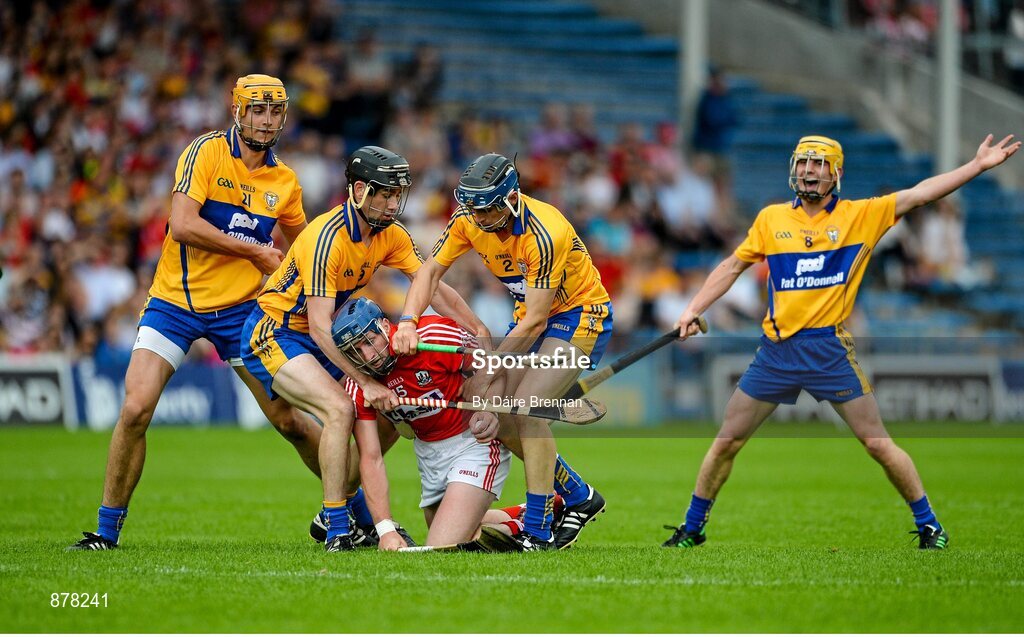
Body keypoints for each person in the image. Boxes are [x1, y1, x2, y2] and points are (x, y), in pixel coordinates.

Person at [664, 133, 1020, 551]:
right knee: (727, 443)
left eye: (818, 165)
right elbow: (731, 266)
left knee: (877, 443)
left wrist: (976, 167)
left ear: (836, 173)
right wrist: (693, 308)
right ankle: (693, 528)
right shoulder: (771, 219)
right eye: (803, 163)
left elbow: (920, 194)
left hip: (828, 350)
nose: (809, 172)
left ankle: (930, 526)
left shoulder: (861, 216)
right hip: (776, 352)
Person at [70, 75, 319, 550]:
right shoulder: (204, 153)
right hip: (174, 303)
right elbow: (183, 226)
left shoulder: (284, 181)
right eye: (257, 110)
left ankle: (359, 515)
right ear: (237, 111)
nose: (266, 121)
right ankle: (106, 531)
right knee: (136, 408)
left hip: (242, 312)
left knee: (289, 420)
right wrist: (256, 252)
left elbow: (304, 250)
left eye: (275, 112)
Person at [240, 146, 485, 552]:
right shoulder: (326, 238)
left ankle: (342, 513)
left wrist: (475, 328)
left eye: (396, 194)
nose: (392, 203)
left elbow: (432, 286)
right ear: (357, 190)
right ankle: (338, 526)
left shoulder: (390, 233)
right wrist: (364, 382)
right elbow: (318, 327)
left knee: (387, 413)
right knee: (340, 409)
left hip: (331, 337)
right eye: (384, 194)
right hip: (278, 331)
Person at [393, 153, 610, 550]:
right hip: (528, 315)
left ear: (511, 198)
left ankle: (539, 530)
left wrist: (493, 363)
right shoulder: (466, 220)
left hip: (577, 317)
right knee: (480, 399)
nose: (478, 217)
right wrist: (408, 318)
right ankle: (579, 495)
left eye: (487, 207)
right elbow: (429, 272)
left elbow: (538, 321)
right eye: (472, 207)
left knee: (526, 410)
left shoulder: (545, 233)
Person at [335, 297, 596, 551]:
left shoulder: (434, 335)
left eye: (369, 341)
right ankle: (524, 517)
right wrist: (385, 529)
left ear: (383, 325)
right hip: (429, 456)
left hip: (473, 444)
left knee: (440, 546)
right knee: (459, 533)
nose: (368, 355)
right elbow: (370, 458)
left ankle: (538, 518)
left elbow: (492, 366)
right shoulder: (362, 383)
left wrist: (489, 410)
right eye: (355, 351)